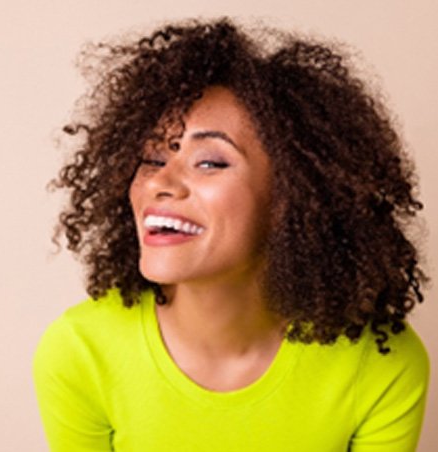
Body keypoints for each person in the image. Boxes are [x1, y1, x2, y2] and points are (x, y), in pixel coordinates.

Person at [33, 17, 430, 451]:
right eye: (150, 158)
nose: (159, 182)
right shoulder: (80, 352)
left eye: (209, 162)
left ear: (290, 197)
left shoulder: (381, 363)